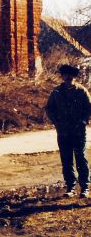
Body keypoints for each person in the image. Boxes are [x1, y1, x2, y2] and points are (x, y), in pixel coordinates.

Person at [45, 63, 91, 198]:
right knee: (66, 159)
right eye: (65, 74)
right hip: (63, 131)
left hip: (78, 131)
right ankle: (70, 187)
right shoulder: (56, 92)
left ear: (74, 76)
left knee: (81, 158)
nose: (67, 77)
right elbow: (49, 109)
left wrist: (84, 121)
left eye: (70, 74)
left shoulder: (81, 91)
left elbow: (89, 108)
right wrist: (56, 122)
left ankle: (85, 188)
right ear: (62, 76)